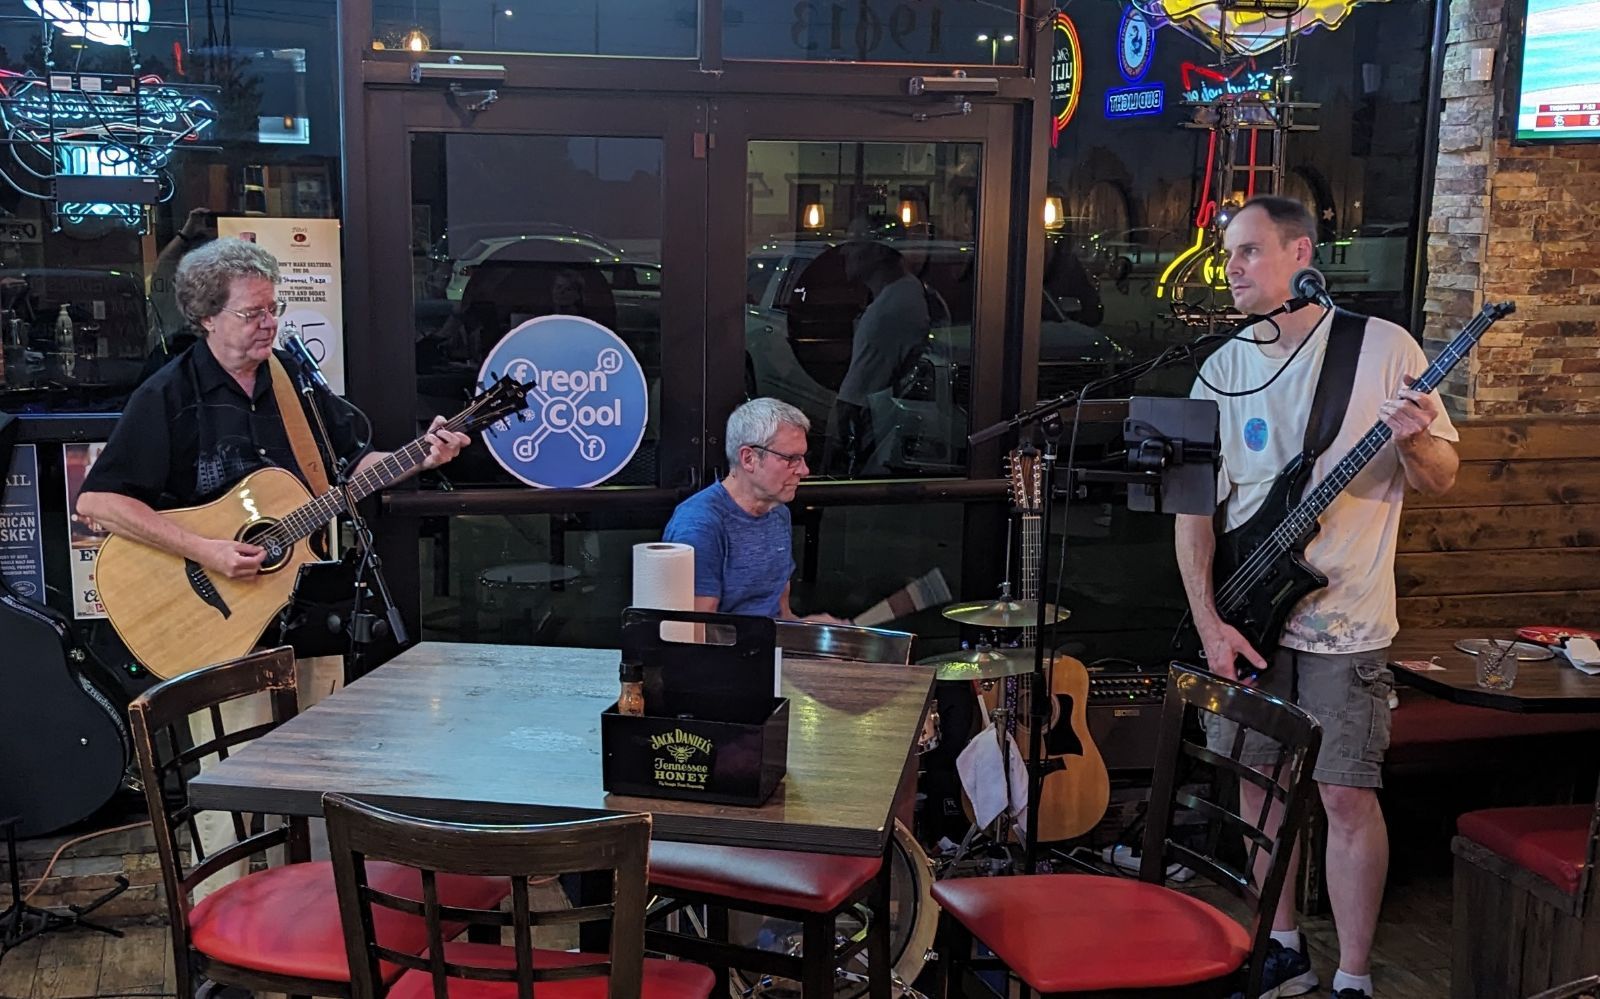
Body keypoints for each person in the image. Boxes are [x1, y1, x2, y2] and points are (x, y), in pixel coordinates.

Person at [76, 237, 472, 894]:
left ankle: (317, 920)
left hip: (308, 618)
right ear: (207, 316)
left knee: (320, 787)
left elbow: (351, 471)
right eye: (252, 312)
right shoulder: (169, 394)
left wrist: (420, 456)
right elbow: (99, 502)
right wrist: (205, 549)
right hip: (219, 629)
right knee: (231, 799)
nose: (269, 324)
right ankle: (222, 926)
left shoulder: (293, 381)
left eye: (273, 308)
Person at [1174, 196, 1459, 999]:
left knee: (1344, 792)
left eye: (1248, 250)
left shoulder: (1382, 348)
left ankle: (1356, 976)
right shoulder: (1221, 367)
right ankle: (1285, 946)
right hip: (1248, 619)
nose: (1231, 266)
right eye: (1227, 252)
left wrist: (1416, 441)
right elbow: (1193, 513)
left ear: (1300, 253)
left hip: (1348, 620)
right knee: (1258, 783)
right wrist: (1209, 624)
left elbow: (1442, 475)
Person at [663, 397, 842, 621]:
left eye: (803, 458)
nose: (804, 470)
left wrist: (811, 629)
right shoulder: (700, 525)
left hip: (769, 641)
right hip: (727, 644)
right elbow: (696, 630)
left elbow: (781, 614)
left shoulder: (778, 512)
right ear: (749, 458)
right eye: (791, 459)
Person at [833, 234, 930, 473]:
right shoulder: (907, 292)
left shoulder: (888, 312)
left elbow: (851, 402)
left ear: (878, 251)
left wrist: (832, 459)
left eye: (854, 242)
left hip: (881, 449)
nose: (843, 251)